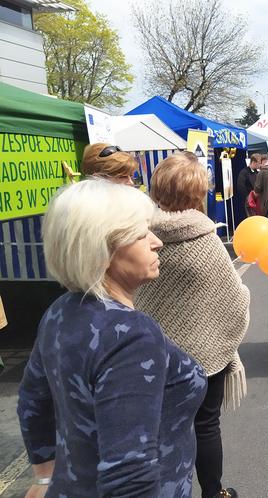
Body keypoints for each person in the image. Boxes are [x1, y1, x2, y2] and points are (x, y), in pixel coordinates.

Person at [17, 179, 207, 496]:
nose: (156, 241)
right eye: (140, 233)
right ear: (102, 249)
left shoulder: (60, 311)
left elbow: (32, 403)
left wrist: (44, 478)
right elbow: (129, 478)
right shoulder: (131, 337)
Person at [135, 153, 249, 498]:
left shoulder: (140, 236)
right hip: (205, 355)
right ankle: (213, 493)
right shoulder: (205, 239)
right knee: (205, 425)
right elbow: (235, 298)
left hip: (152, 354)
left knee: (158, 428)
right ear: (198, 192)